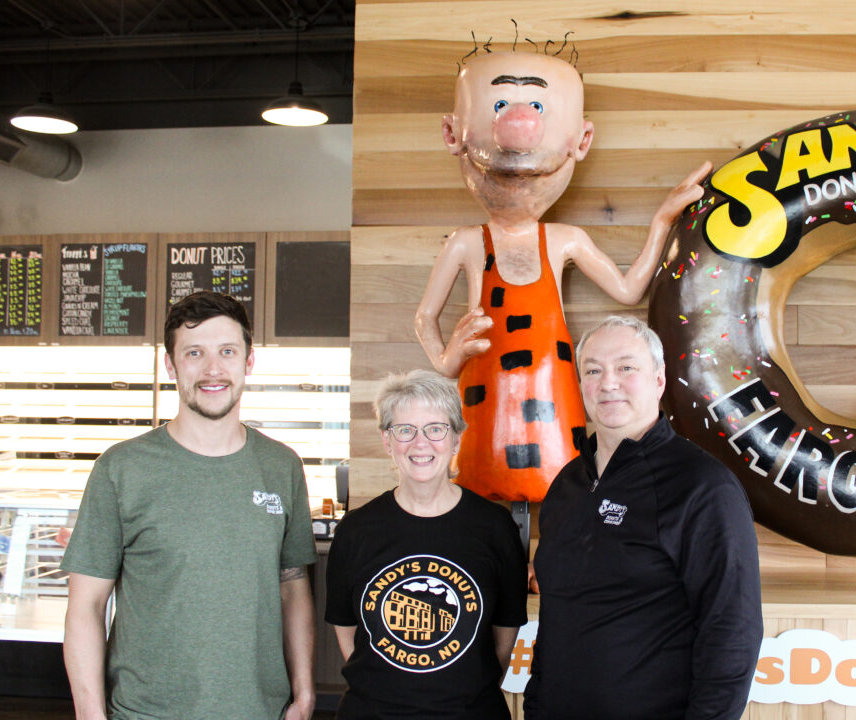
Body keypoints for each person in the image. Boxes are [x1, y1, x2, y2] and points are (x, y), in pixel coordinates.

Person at [415, 48, 710, 502]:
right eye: (499, 106)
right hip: (484, 396)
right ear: (452, 133)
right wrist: (449, 358)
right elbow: (424, 319)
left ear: (582, 140)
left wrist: (662, 222)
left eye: (536, 108)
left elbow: (629, 290)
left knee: (565, 494)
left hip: (553, 396)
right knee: (479, 496)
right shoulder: (466, 241)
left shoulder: (563, 239)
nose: (518, 128)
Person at [62, 291, 317, 720]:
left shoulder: (281, 466)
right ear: (171, 363)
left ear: (248, 362)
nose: (212, 369)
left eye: (227, 352)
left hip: (260, 711)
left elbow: (293, 587)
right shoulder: (121, 469)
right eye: (194, 353)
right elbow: (85, 606)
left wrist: (305, 693)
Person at [525, 315, 763, 720]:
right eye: (593, 370)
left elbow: (732, 633)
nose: (609, 382)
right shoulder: (567, 484)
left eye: (626, 368)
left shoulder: (702, 487)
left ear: (658, 380)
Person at [325, 369, 528, 719]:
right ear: (388, 442)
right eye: (405, 430)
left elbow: (504, 637)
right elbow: (349, 632)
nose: (421, 443)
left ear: (456, 440)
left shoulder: (495, 528)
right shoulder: (356, 530)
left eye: (436, 429)